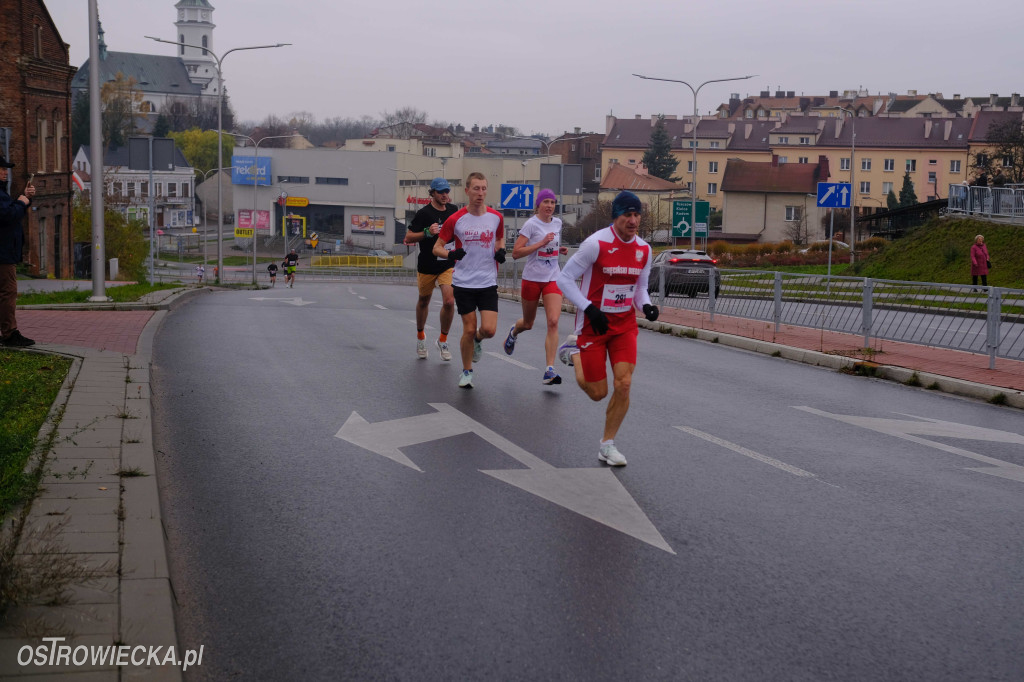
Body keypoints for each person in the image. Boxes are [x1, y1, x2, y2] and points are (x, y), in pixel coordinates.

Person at [554, 191, 659, 466]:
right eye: (628, 215)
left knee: (624, 383)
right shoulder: (595, 244)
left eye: (637, 215)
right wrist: (588, 308)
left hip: (624, 326)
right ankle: (573, 351)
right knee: (598, 392)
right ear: (616, 216)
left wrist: (646, 305)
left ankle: (607, 445)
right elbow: (564, 280)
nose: (633, 220)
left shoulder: (644, 250)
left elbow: (641, 287)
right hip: (593, 325)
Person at [432, 172, 505, 388]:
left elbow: (500, 238)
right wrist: (450, 255)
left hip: (488, 281)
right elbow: (438, 246)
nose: (480, 193)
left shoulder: (496, 217)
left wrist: (500, 251)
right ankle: (466, 371)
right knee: (469, 328)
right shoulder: (455, 219)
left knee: (489, 330)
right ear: (467, 191)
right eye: (476, 188)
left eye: (483, 188)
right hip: (463, 282)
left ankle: (478, 342)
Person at [503, 188, 568, 385]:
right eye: (546, 202)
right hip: (532, 279)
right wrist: (540, 243)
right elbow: (515, 253)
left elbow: (551, 245)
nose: (549, 206)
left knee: (554, 321)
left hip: (552, 277)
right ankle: (514, 332)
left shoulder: (557, 223)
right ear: (538, 205)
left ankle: (549, 369)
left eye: (552, 202)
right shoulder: (530, 225)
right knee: (528, 323)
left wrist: (557, 249)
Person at [404, 177, 459, 361]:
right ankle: (421, 336)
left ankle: (443, 340)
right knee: (423, 301)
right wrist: (427, 232)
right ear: (433, 193)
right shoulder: (424, 213)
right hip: (427, 264)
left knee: (450, 302)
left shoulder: (453, 211)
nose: (445, 195)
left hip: (447, 264)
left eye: (447, 192)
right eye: (441, 192)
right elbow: (409, 237)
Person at [0, 155, 36, 347]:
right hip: (3, 254)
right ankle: (9, 333)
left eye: (6, 169)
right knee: (8, 292)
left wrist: (24, 199)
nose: (5, 172)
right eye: (2, 169)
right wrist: (22, 201)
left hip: (6, 251)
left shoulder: (2, 192)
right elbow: (6, 216)